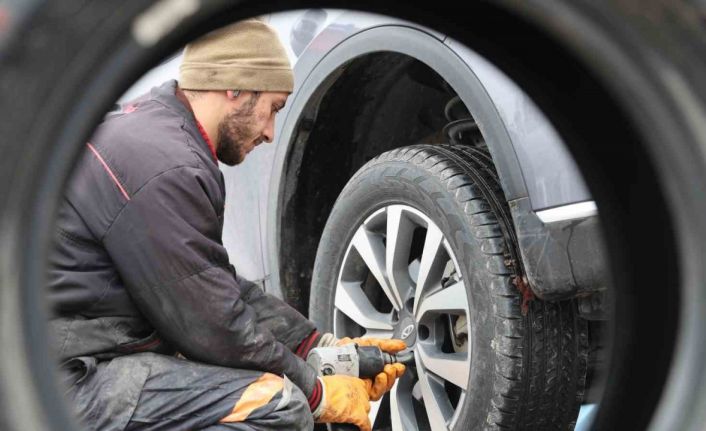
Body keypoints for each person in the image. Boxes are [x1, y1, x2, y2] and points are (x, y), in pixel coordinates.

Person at [48, 18, 406, 431]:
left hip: (90, 356)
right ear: (235, 89)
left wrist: (317, 346)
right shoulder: (168, 167)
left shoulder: (158, 134)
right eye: (272, 109)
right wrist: (317, 392)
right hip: (73, 381)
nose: (271, 132)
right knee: (279, 405)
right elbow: (212, 326)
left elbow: (213, 286)